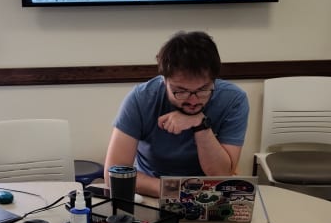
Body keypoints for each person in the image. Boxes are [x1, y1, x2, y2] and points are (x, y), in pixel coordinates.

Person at [104, 30, 249, 197]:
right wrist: (177, 191)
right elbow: (113, 175)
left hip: (208, 194)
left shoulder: (233, 99)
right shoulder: (141, 98)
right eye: (181, 91)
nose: (193, 101)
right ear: (164, 80)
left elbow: (222, 175)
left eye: (202, 90)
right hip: (152, 191)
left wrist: (200, 125)